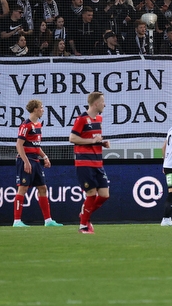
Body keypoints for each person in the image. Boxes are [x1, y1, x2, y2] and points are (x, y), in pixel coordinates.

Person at [13, 100, 62, 227]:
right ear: (35, 109)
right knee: (22, 188)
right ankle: (17, 221)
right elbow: (19, 144)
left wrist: (44, 157)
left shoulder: (38, 125)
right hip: (26, 160)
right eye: (41, 107)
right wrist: (25, 161)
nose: (43, 110)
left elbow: (35, 146)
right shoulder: (26, 125)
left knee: (42, 188)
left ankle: (48, 220)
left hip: (35, 160)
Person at [70, 91, 111, 234]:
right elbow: (72, 138)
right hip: (84, 163)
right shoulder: (81, 119)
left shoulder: (99, 119)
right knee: (91, 194)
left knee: (105, 195)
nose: (105, 104)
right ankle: (83, 226)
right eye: (103, 102)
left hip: (98, 162)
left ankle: (84, 215)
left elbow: (94, 139)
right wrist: (92, 141)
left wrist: (102, 143)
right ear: (96, 103)